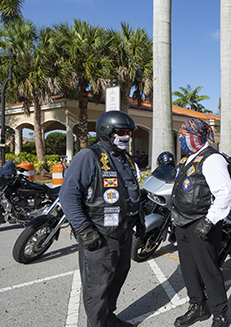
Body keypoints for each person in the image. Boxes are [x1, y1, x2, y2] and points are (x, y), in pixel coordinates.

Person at [59, 111, 143, 327]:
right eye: (122, 132)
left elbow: (131, 191)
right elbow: (68, 196)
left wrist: (139, 219)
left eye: (129, 133)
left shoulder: (125, 158)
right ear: (106, 132)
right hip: (100, 234)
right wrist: (85, 230)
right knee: (97, 286)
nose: (126, 137)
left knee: (118, 276)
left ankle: (108, 317)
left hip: (123, 231)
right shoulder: (89, 156)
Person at [171, 119, 231, 327]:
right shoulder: (189, 158)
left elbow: (225, 193)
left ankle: (220, 314)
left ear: (198, 137)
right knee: (188, 268)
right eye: (181, 136)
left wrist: (209, 221)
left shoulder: (212, 159)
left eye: (185, 136)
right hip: (183, 222)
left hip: (202, 223)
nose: (182, 139)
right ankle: (198, 306)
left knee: (209, 270)